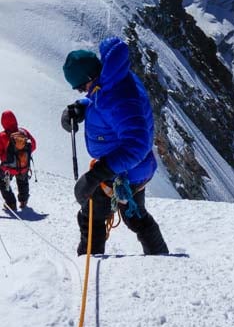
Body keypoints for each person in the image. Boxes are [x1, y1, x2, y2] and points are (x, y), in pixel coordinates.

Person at [62, 36, 169, 256]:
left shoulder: (116, 97)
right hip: (134, 168)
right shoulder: (113, 80)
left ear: (91, 77)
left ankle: (89, 260)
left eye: (82, 87)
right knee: (134, 215)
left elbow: (137, 144)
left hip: (124, 171)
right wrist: (81, 107)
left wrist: (97, 175)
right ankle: (160, 256)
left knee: (91, 216)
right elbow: (102, 102)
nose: (83, 92)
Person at [0, 110, 36, 211]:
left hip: (8, 168)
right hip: (23, 166)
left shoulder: (2, 136)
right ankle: (23, 201)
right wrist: (22, 154)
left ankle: (11, 203)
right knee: (23, 182)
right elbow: (33, 145)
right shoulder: (23, 132)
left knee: (3, 184)